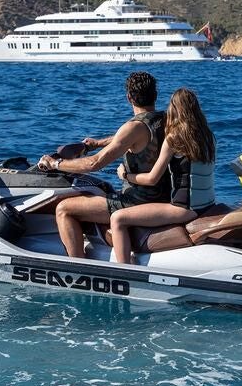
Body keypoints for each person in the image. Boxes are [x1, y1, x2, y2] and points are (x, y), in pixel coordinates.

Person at [37, 71, 171, 258]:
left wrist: (55, 163)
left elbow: (94, 163)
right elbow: (128, 140)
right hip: (164, 197)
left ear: (129, 97)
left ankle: (78, 269)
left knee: (64, 209)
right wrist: (98, 143)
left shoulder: (133, 127)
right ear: (155, 95)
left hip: (137, 202)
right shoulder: (167, 120)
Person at [109, 88, 216, 264]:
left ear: (174, 109)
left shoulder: (174, 138)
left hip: (183, 210)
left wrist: (126, 175)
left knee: (118, 218)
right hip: (208, 205)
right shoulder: (208, 136)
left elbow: (152, 179)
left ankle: (125, 270)